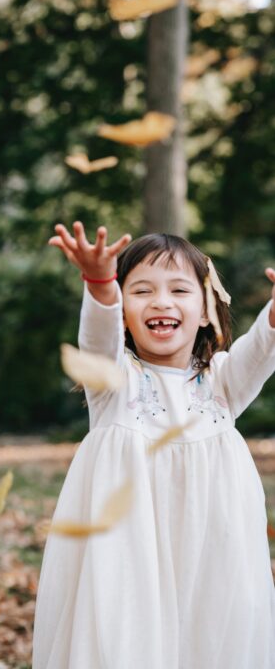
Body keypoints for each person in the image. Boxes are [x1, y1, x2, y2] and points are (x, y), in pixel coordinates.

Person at [32, 221, 275, 669]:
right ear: (124, 311)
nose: (161, 301)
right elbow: (96, 337)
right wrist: (100, 282)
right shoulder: (113, 382)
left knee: (211, 634)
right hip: (129, 553)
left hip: (212, 554)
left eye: (180, 290)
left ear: (205, 310)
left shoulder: (223, 382)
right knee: (126, 638)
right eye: (141, 291)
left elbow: (260, 348)